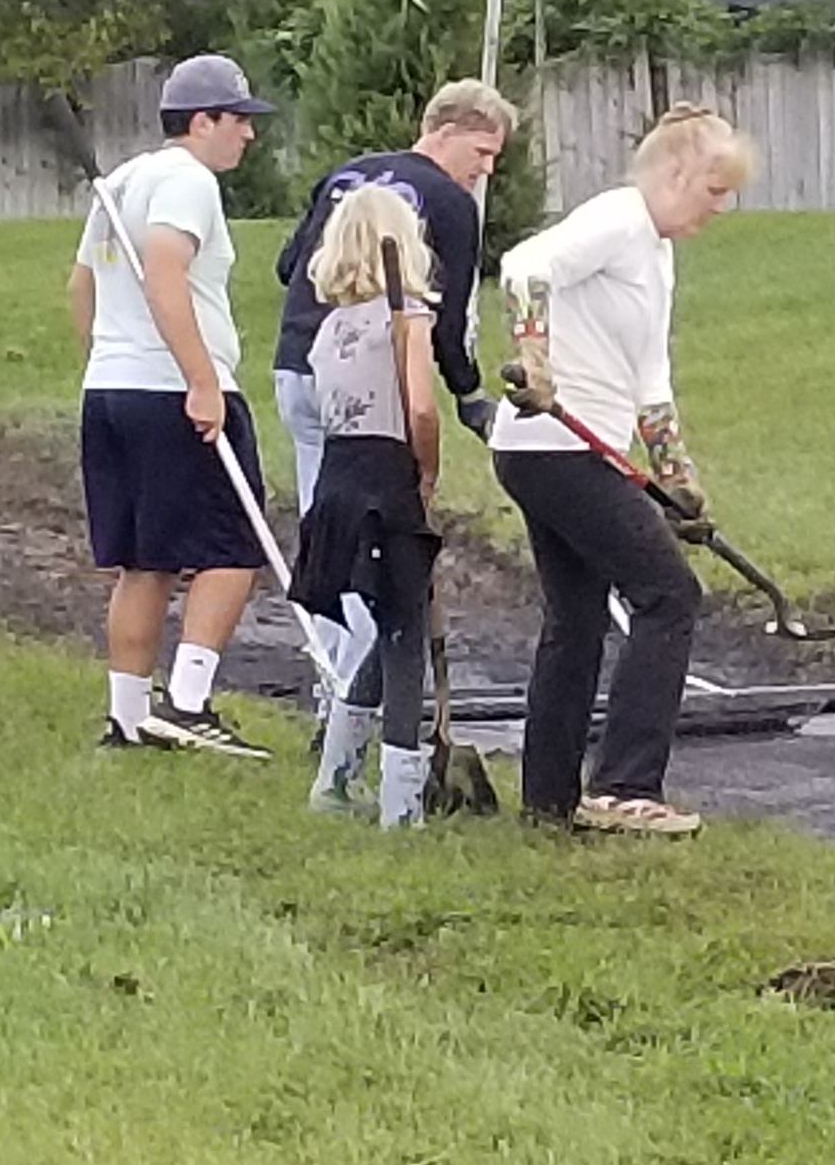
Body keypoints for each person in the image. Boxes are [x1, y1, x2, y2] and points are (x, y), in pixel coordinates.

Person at [491, 105, 755, 837]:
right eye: (713, 188)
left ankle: (549, 800)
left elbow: (650, 379)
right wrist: (536, 358)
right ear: (675, 172)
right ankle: (626, 785)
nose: (720, 206)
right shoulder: (617, 218)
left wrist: (676, 473)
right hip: (553, 443)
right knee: (668, 595)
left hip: (571, 448)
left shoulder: (655, 254)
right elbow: (523, 266)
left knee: (576, 618)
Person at [74, 52, 277, 759]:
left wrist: (107, 358)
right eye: (239, 121)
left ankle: (127, 717)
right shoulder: (187, 181)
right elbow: (165, 268)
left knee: (144, 559)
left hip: (112, 388)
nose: (247, 136)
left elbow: (81, 287)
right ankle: (187, 703)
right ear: (202, 121)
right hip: (173, 390)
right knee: (234, 548)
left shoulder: (122, 180)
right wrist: (201, 381)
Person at [268, 78, 515, 510]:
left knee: (320, 510)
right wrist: (468, 392)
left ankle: (314, 575)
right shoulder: (450, 202)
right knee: (373, 517)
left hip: (297, 361)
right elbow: (448, 315)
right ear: (445, 131)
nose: (487, 169)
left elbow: (289, 266)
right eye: (482, 152)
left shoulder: (346, 174)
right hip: (371, 376)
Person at [293, 177, 446, 827]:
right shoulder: (406, 317)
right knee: (406, 637)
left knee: (384, 632)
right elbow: (418, 407)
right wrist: (428, 471)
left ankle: (334, 781)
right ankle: (400, 805)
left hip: (337, 483)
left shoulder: (328, 331)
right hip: (388, 482)